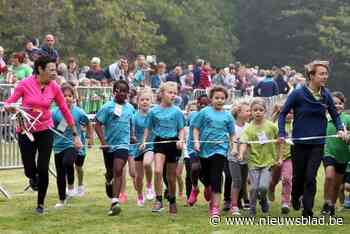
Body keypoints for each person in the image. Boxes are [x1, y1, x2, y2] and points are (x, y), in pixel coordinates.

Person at [4, 55, 82, 215]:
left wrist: (75, 134)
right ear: (40, 69)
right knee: (29, 169)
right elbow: (9, 102)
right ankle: (32, 178)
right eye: (51, 70)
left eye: (55, 69)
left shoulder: (54, 87)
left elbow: (65, 110)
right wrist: (10, 107)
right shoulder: (25, 84)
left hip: (45, 130)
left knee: (43, 168)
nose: (55, 73)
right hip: (26, 130)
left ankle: (40, 204)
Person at [278, 60, 347, 217]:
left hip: (317, 143)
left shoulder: (326, 94)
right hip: (299, 143)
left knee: (311, 177)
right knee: (298, 177)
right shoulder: (297, 93)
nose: (325, 77)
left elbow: (335, 116)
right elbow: (283, 114)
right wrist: (281, 133)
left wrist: (341, 130)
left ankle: (307, 210)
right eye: (321, 74)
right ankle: (295, 197)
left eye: (326, 74)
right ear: (311, 76)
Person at [140, 81, 185, 216]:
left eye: (175, 93)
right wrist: (144, 142)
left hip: (173, 144)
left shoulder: (177, 111)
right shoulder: (153, 111)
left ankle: (172, 200)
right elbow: (148, 128)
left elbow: (181, 128)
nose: (172, 95)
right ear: (161, 93)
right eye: (170, 92)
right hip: (159, 142)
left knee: (171, 177)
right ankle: (158, 200)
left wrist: (181, 140)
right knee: (158, 171)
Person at [193, 86, 235, 217]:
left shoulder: (228, 116)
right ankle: (207, 187)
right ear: (211, 99)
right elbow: (196, 128)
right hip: (204, 149)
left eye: (222, 98)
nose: (220, 100)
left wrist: (233, 147)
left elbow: (232, 134)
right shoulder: (204, 112)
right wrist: (196, 141)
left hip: (220, 149)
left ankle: (215, 207)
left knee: (216, 177)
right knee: (205, 176)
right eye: (217, 98)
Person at [95, 80, 135, 216]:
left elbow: (131, 121)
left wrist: (132, 136)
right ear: (114, 92)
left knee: (118, 169)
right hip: (109, 146)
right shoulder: (107, 107)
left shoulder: (130, 108)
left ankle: (115, 202)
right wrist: (103, 141)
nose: (123, 93)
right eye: (120, 90)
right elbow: (97, 124)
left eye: (125, 91)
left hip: (123, 145)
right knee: (111, 173)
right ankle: (108, 180)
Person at [52, 84, 93, 208]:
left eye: (70, 96)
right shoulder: (54, 112)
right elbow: (52, 127)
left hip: (74, 144)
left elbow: (89, 123)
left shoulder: (79, 112)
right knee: (60, 172)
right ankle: (61, 200)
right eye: (64, 96)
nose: (67, 98)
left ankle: (74, 187)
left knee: (70, 163)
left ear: (73, 97)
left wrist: (90, 138)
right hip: (58, 145)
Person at [239, 98, 281, 216]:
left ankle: (263, 200)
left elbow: (280, 140)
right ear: (251, 112)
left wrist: (279, 157)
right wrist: (241, 153)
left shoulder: (271, 126)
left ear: (265, 111)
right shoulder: (248, 129)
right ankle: (252, 208)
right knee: (253, 189)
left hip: (268, 162)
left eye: (260, 110)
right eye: (255, 110)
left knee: (262, 188)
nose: (258, 112)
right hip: (253, 162)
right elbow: (243, 143)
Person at [321, 91, 350, 216]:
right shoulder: (324, 119)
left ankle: (332, 205)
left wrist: (347, 136)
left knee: (337, 184)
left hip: (343, 155)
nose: (337, 105)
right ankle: (326, 202)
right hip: (328, 152)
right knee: (329, 176)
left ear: (343, 105)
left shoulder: (347, 119)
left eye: (340, 103)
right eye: (334, 103)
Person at [268, 102, 294, 214]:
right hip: (275, 158)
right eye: (287, 112)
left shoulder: (295, 124)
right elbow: (268, 126)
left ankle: (285, 202)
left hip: (289, 157)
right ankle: (271, 188)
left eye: (292, 113)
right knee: (274, 179)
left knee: (287, 178)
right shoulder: (276, 124)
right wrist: (275, 112)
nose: (289, 115)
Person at [132, 89, 156, 206]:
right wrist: (133, 138)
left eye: (147, 100)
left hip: (151, 146)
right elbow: (131, 132)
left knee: (147, 163)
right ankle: (140, 195)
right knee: (138, 177)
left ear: (151, 101)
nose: (145, 102)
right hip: (137, 148)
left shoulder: (154, 114)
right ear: (138, 102)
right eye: (142, 100)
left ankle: (149, 186)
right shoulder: (134, 116)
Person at [227, 101, 251, 215]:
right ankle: (234, 206)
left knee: (243, 182)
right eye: (247, 111)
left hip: (246, 159)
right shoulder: (232, 127)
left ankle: (240, 202)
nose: (250, 113)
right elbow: (232, 141)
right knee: (237, 181)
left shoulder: (249, 127)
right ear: (238, 112)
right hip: (234, 158)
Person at [186, 94, 210, 206]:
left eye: (206, 104)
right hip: (193, 147)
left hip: (207, 148)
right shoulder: (192, 115)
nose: (203, 106)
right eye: (201, 104)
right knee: (195, 168)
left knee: (204, 173)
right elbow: (185, 128)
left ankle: (207, 186)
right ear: (197, 104)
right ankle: (195, 188)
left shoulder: (211, 117)